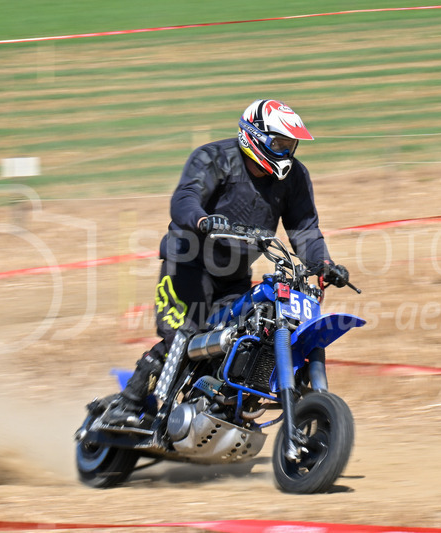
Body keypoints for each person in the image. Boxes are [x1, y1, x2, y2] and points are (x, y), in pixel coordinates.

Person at [96, 99, 350, 426]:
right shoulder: (214, 158)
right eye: (279, 144)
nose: (286, 152)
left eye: (291, 145)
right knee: (186, 334)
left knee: (245, 334)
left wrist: (323, 263)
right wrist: (202, 220)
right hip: (187, 264)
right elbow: (185, 198)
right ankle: (128, 405)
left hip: (235, 274)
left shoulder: (295, 176)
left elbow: (305, 229)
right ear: (254, 137)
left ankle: (219, 405)